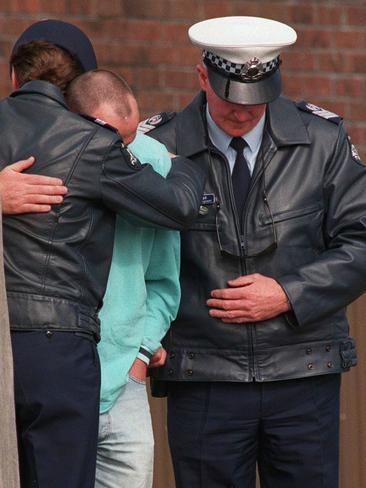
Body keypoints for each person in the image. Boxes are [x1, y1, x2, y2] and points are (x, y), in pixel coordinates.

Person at [145, 16, 366, 488]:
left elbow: (361, 242)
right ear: (203, 76)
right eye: (231, 97)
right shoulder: (158, 148)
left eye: (259, 98)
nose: (245, 112)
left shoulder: (322, 141)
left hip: (303, 371)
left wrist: (288, 293)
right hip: (204, 375)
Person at [1, 20, 206, 488]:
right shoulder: (93, 144)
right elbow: (179, 207)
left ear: (15, 77)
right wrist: (184, 165)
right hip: (60, 348)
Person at [66, 69, 181, 488]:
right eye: (120, 140)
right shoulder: (48, 153)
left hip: (125, 379)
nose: (128, 150)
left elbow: (164, 279)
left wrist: (141, 352)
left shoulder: (153, 159)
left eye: (133, 135)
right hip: (58, 375)